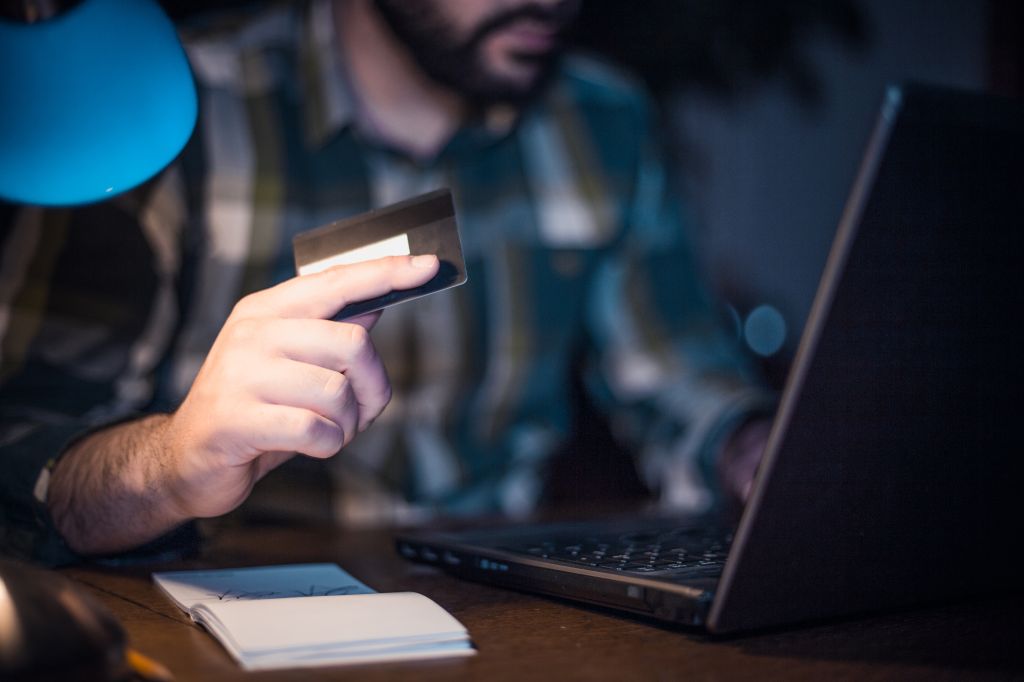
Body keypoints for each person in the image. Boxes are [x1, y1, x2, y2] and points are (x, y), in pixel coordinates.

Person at [0, 0, 774, 565]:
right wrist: (171, 464)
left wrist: (755, 450)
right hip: (230, 602)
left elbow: (680, 382)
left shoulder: (603, 121)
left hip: (508, 606)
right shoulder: (152, 113)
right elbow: (21, 454)